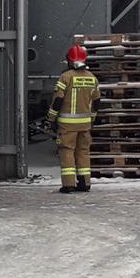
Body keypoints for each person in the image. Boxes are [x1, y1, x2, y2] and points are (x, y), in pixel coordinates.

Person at [48, 44, 98, 193]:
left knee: (67, 151)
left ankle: (69, 184)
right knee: (83, 152)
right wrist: (92, 120)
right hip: (85, 124)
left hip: (67, 125)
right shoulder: (92, 78)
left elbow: (58, 100)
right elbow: (96, 102)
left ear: (69, 60)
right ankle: (85, 182)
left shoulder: (66, 77)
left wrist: (51, 118)